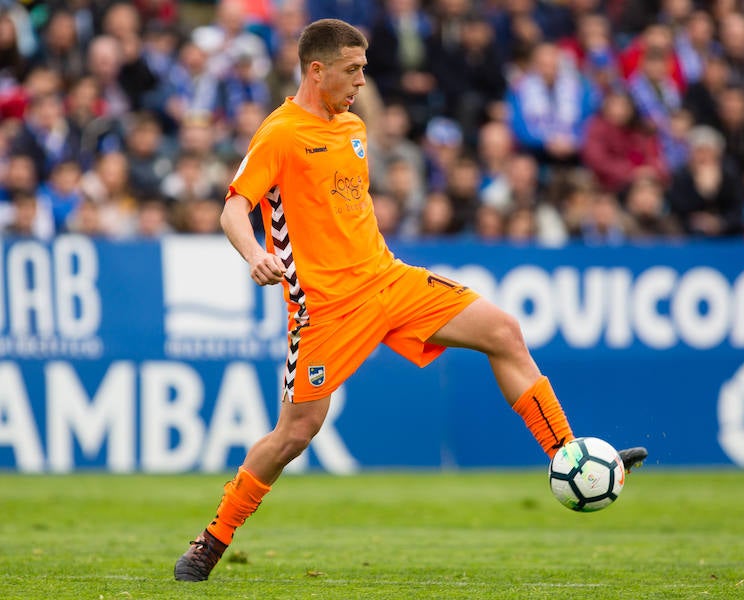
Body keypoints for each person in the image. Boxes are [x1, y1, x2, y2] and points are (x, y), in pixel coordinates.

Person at [173, 19, 647, 582]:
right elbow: (233, 208)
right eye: (352, 70)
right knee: (295, 435)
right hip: (325, 310)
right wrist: (255, 255)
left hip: (388, 280)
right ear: (316, 70)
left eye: (364, 69)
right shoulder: (279, 134)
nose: (362, 81)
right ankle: (212, 539)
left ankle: (569, 457)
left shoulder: (352, 125)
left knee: (503, 331)